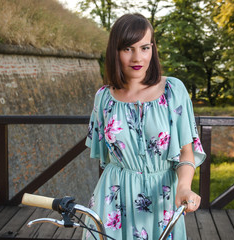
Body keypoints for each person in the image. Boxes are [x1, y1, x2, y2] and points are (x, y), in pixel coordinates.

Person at [83, 13, 206, 240]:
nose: (137, 57)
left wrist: (184, 187)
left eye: (145, 48)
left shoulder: (173, 90)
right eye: (128, 48)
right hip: (113, 201)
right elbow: (106, 160)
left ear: (153, 49)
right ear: (115, 51)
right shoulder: (103, 98)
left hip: (163, 196)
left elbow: (187, 152)